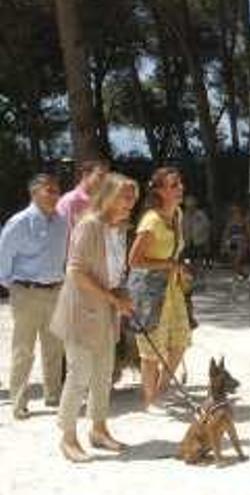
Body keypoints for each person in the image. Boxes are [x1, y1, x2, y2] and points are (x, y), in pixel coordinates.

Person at [51, 173, 138, 462]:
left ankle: (99, 430)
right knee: (79, 376)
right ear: (109, 196)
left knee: (103, 375)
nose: (131, 202)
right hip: (81, 311)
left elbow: (115, 272)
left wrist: (122, 296)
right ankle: (68, 437)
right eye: (125, 196)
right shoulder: (89, 226)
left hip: (107, 311)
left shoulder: (120, 229)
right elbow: (75, 271)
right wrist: (113, 298)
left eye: (133, 197)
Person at [0, 174, 68, 420]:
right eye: (49, 190)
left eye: (56, 190)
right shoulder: (19, 222)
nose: (54, 195)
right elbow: (3, 261)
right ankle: (18, 402)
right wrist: (17, 288)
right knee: (23, 349)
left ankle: (54, 395)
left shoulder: (62, 222)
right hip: (26, 292)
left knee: (54, 348)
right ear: (34, 193)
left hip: (55, 291)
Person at [127, 167, 192, 411]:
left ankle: (162, 388)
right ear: (159, 191)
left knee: (181, 339)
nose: (180, 188)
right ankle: (150, 398)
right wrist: (168, 264)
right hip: (150, 291)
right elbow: (133, 261)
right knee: (151, 349)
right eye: (174, 185)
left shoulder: (177, 214)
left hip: (172, 288)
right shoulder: (151, 221)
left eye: (180, 183)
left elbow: (176, 250)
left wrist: (178, 268)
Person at [57, 159, 110, 230]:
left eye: (107, 177)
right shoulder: (70, 200)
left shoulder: (103, 201)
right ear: (86, 175)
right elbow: (63, 234)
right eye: (100, 176)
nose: (105, 181)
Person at [223, 204, 250, 279]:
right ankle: (242, 273)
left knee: (237, 259)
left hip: (242, 242)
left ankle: (237, 275)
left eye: (236, 211)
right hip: (232, 242)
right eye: (233, 211)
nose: (235, 213)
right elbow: (226, 233)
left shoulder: (244, 221)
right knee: (233, 260)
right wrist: (224, 244)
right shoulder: (230, 221)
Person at [182, 196, 211, 270]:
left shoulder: (201, 215)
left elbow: (207, 226)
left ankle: (198, 270)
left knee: (198, 256)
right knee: (188, 257)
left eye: (191, 206)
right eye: (188, 207)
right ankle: (189, 269)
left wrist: (204, 238)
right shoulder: (184, 216)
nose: (190, 208)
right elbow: (182, 227)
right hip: (188, 240)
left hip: (199, 240)